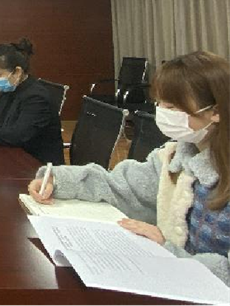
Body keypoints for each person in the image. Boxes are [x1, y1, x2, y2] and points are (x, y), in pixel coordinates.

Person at [28, 51, 230, 286]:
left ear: (215, 111)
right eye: (160, 104)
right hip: (175, 283)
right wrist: (58, 180)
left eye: (173, 106)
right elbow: (121, 186)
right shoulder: (175, 157)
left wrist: (167, 252)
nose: (162, 112)